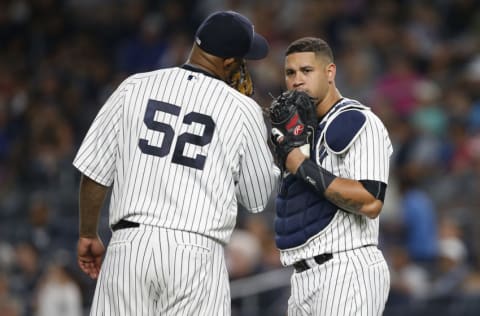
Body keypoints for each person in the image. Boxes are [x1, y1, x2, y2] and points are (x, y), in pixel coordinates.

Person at [72, 10, 278, 315]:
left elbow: (94, 172)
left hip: (131, 246)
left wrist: (88, 233)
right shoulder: (243, 109)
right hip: (196, 254)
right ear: (229, 62)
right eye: (243, 59)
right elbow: (258, 198)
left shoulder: (135, 86)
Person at [270, 37, 393, 315]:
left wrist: (300, 164)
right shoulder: (298, 132)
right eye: (290, 73)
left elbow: (370, 202)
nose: (297, 80)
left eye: (306, 71)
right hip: (302, 277)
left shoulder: (358, 121)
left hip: (347, 269)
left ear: (330, 72)